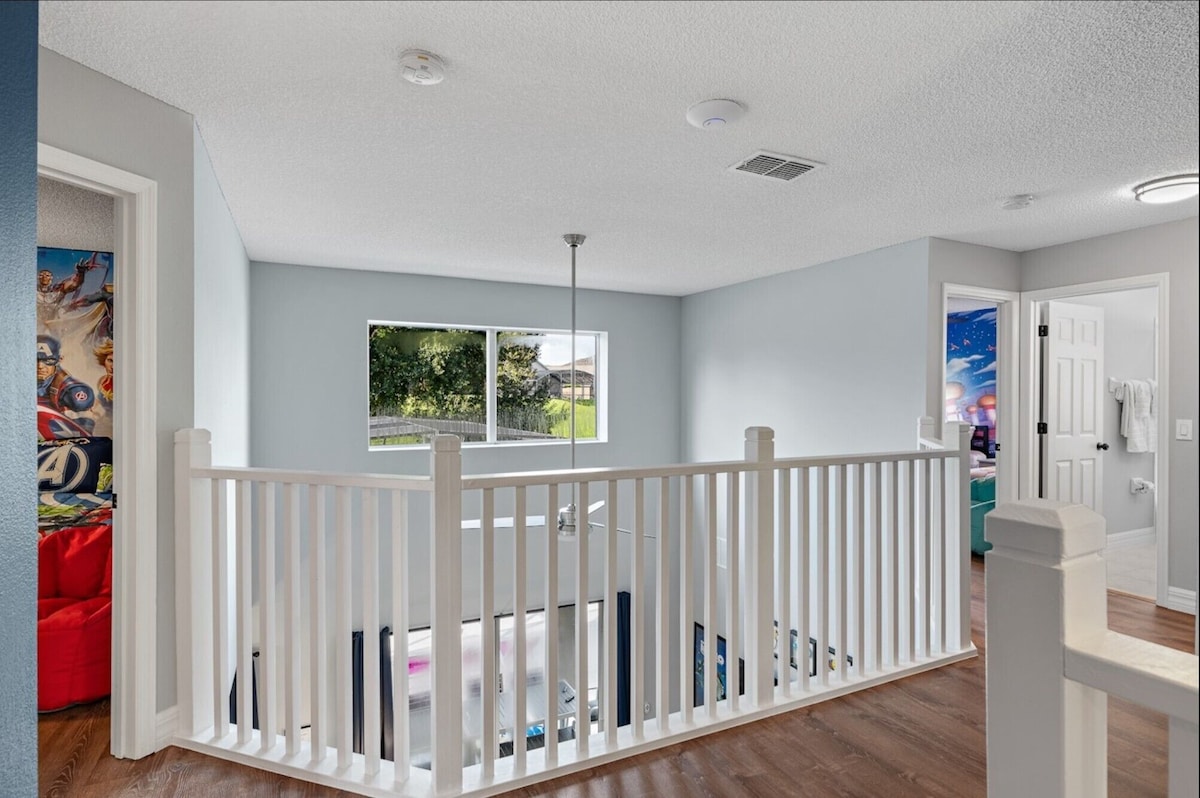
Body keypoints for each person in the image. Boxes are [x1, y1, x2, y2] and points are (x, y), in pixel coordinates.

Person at [36, 334, 95, 430]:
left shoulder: (71, 391)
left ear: (59, 360)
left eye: (48, 360)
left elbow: (81, 434)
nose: (40, 366)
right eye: (34, 360)